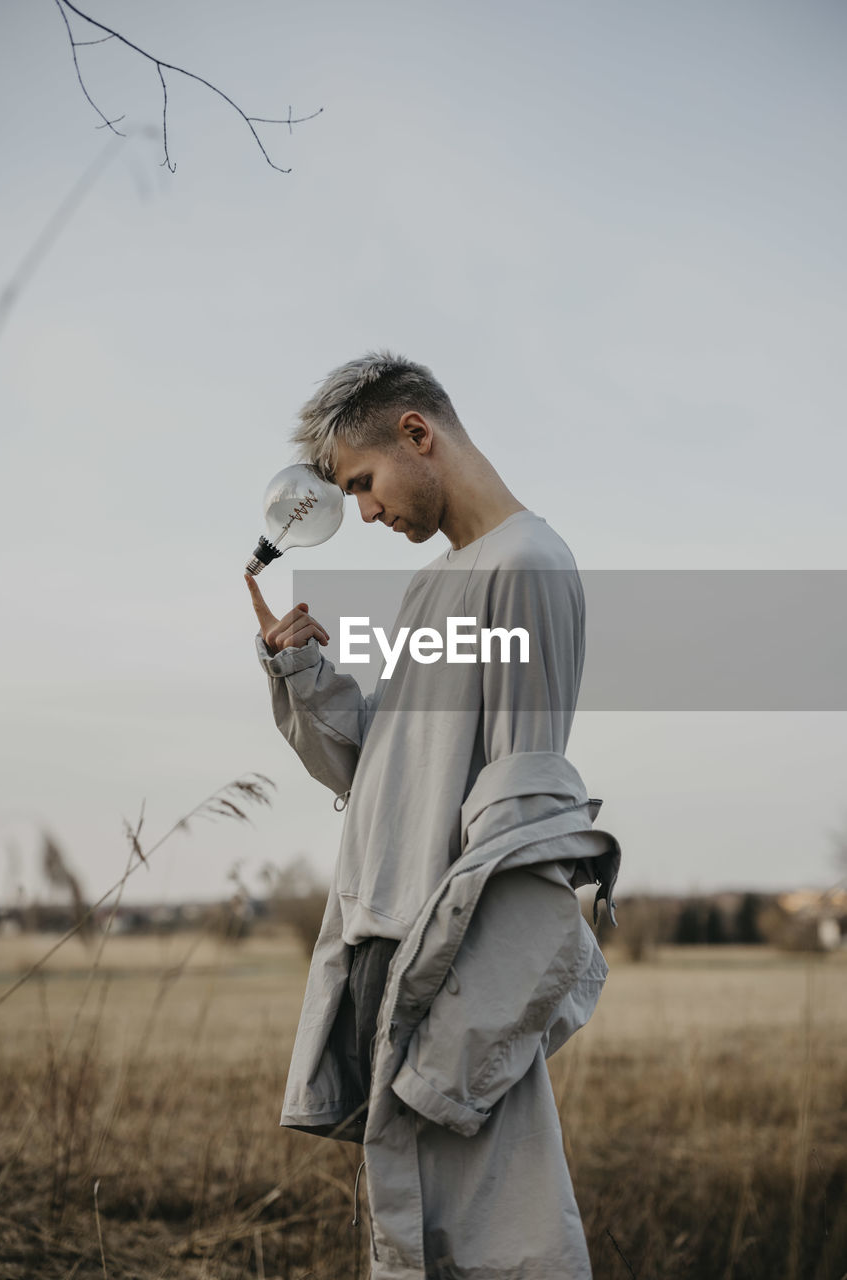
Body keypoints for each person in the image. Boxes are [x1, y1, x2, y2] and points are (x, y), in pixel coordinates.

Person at [245, 351, 620, 1280]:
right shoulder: (435, 585)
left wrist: (459, 1040)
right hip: (384, 955)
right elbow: (384, 773)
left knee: (499, 1244)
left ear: (418, 434)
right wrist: (300, 673)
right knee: (417, 1249)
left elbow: (525, 825)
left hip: (448, 973)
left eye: (362, 485)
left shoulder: (526, 565)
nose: (362, 512)